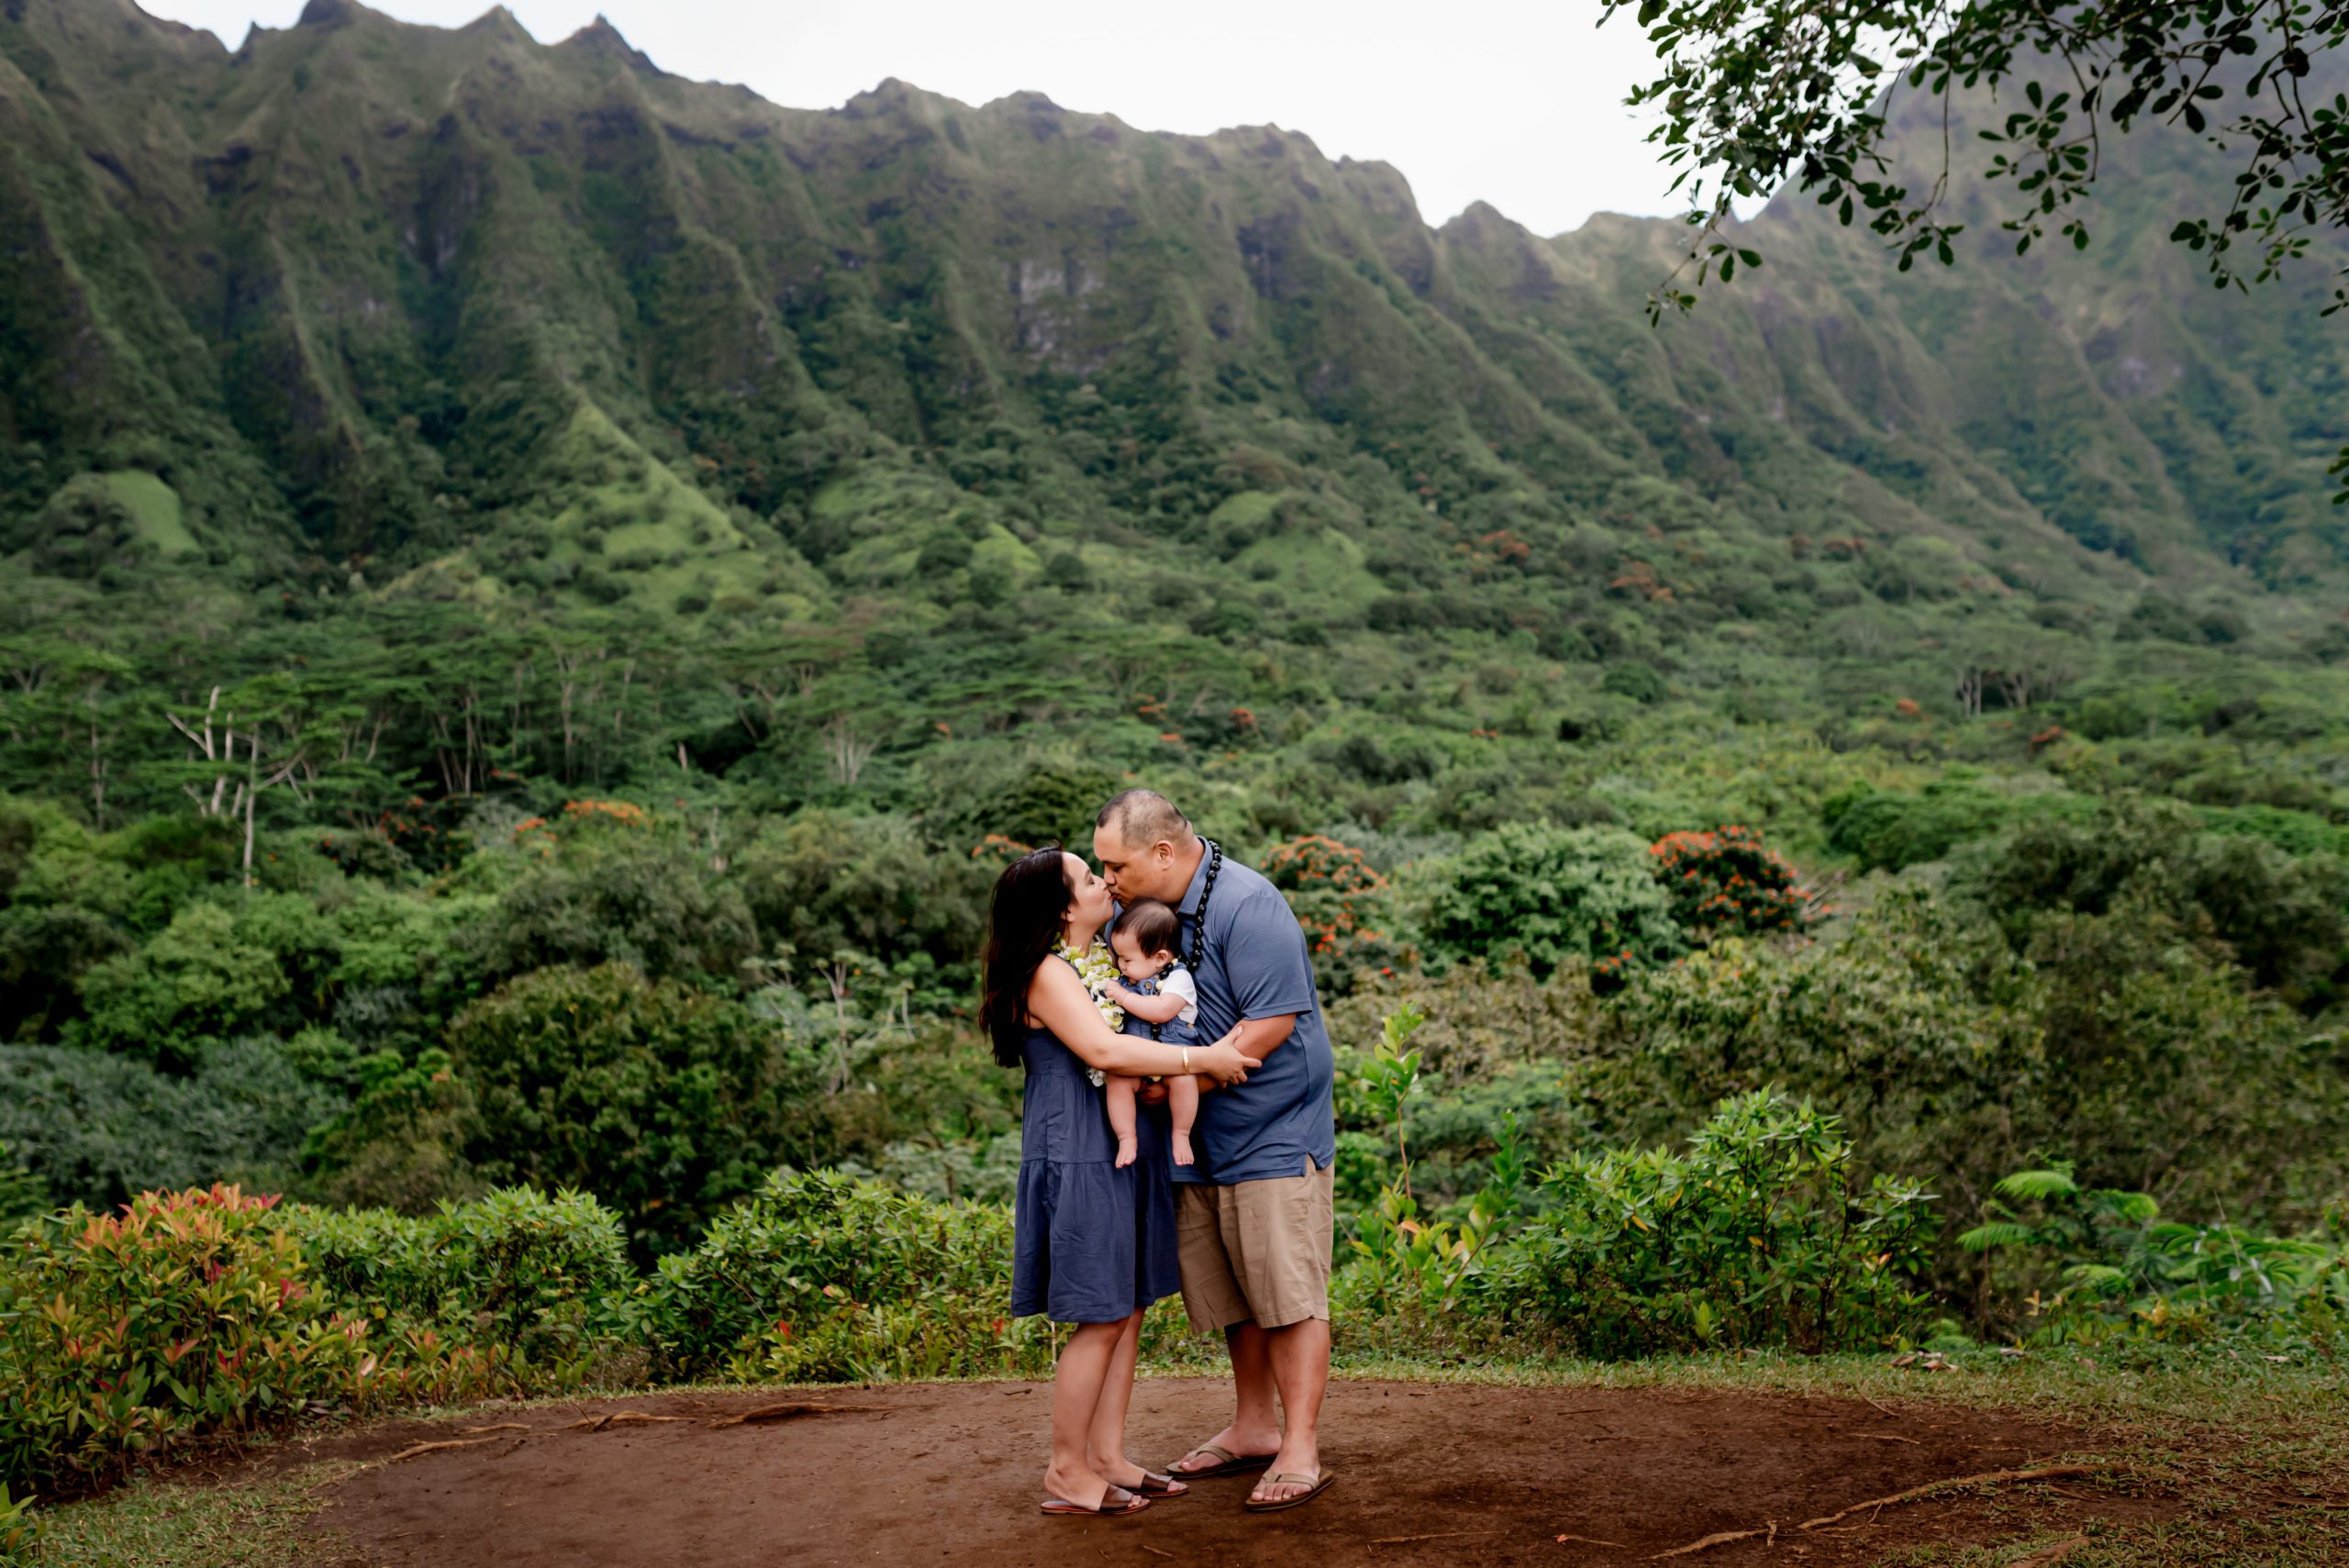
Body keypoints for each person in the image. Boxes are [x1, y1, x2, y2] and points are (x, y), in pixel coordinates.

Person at [979, 845, 1258, 1518]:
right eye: (1087, 877)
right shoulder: (1047, 971)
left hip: (1118, 1145)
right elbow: (1103, 1051)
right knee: (1100, 1314)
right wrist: (1201, 1058)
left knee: (1127, 1305)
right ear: (1064, 908)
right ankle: (1067, 1467)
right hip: (1076, 1147)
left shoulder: (1104, 957)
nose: (1104, 882)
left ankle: (1105, 1455)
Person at [1092, 789, 1340, 1514]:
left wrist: (1178, 1074)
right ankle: (1255, 1425)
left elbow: (1269, 1024)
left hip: (1271, 1125)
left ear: (1162, 853)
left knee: (1286, 1291)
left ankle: (1301, 1446)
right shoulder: (1139, 912)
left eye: (1117, 865)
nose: (1108, 880)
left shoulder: (1248, 903)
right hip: (1199, 1132)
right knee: (1235, 1287)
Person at [1104, 898, 1204, 1168]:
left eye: (1127, 958)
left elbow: (1162, 1010)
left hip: (1174, 1058)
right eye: (1118, 957)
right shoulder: (1129, 978)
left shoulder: (1178, 979)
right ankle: (1126, 1136)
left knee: (1185, 1082)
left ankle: (1181, 1133)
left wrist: (1123, 997)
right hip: (1137, 1057)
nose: (1121, 965)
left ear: (1160, 957)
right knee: (1117, 1081)